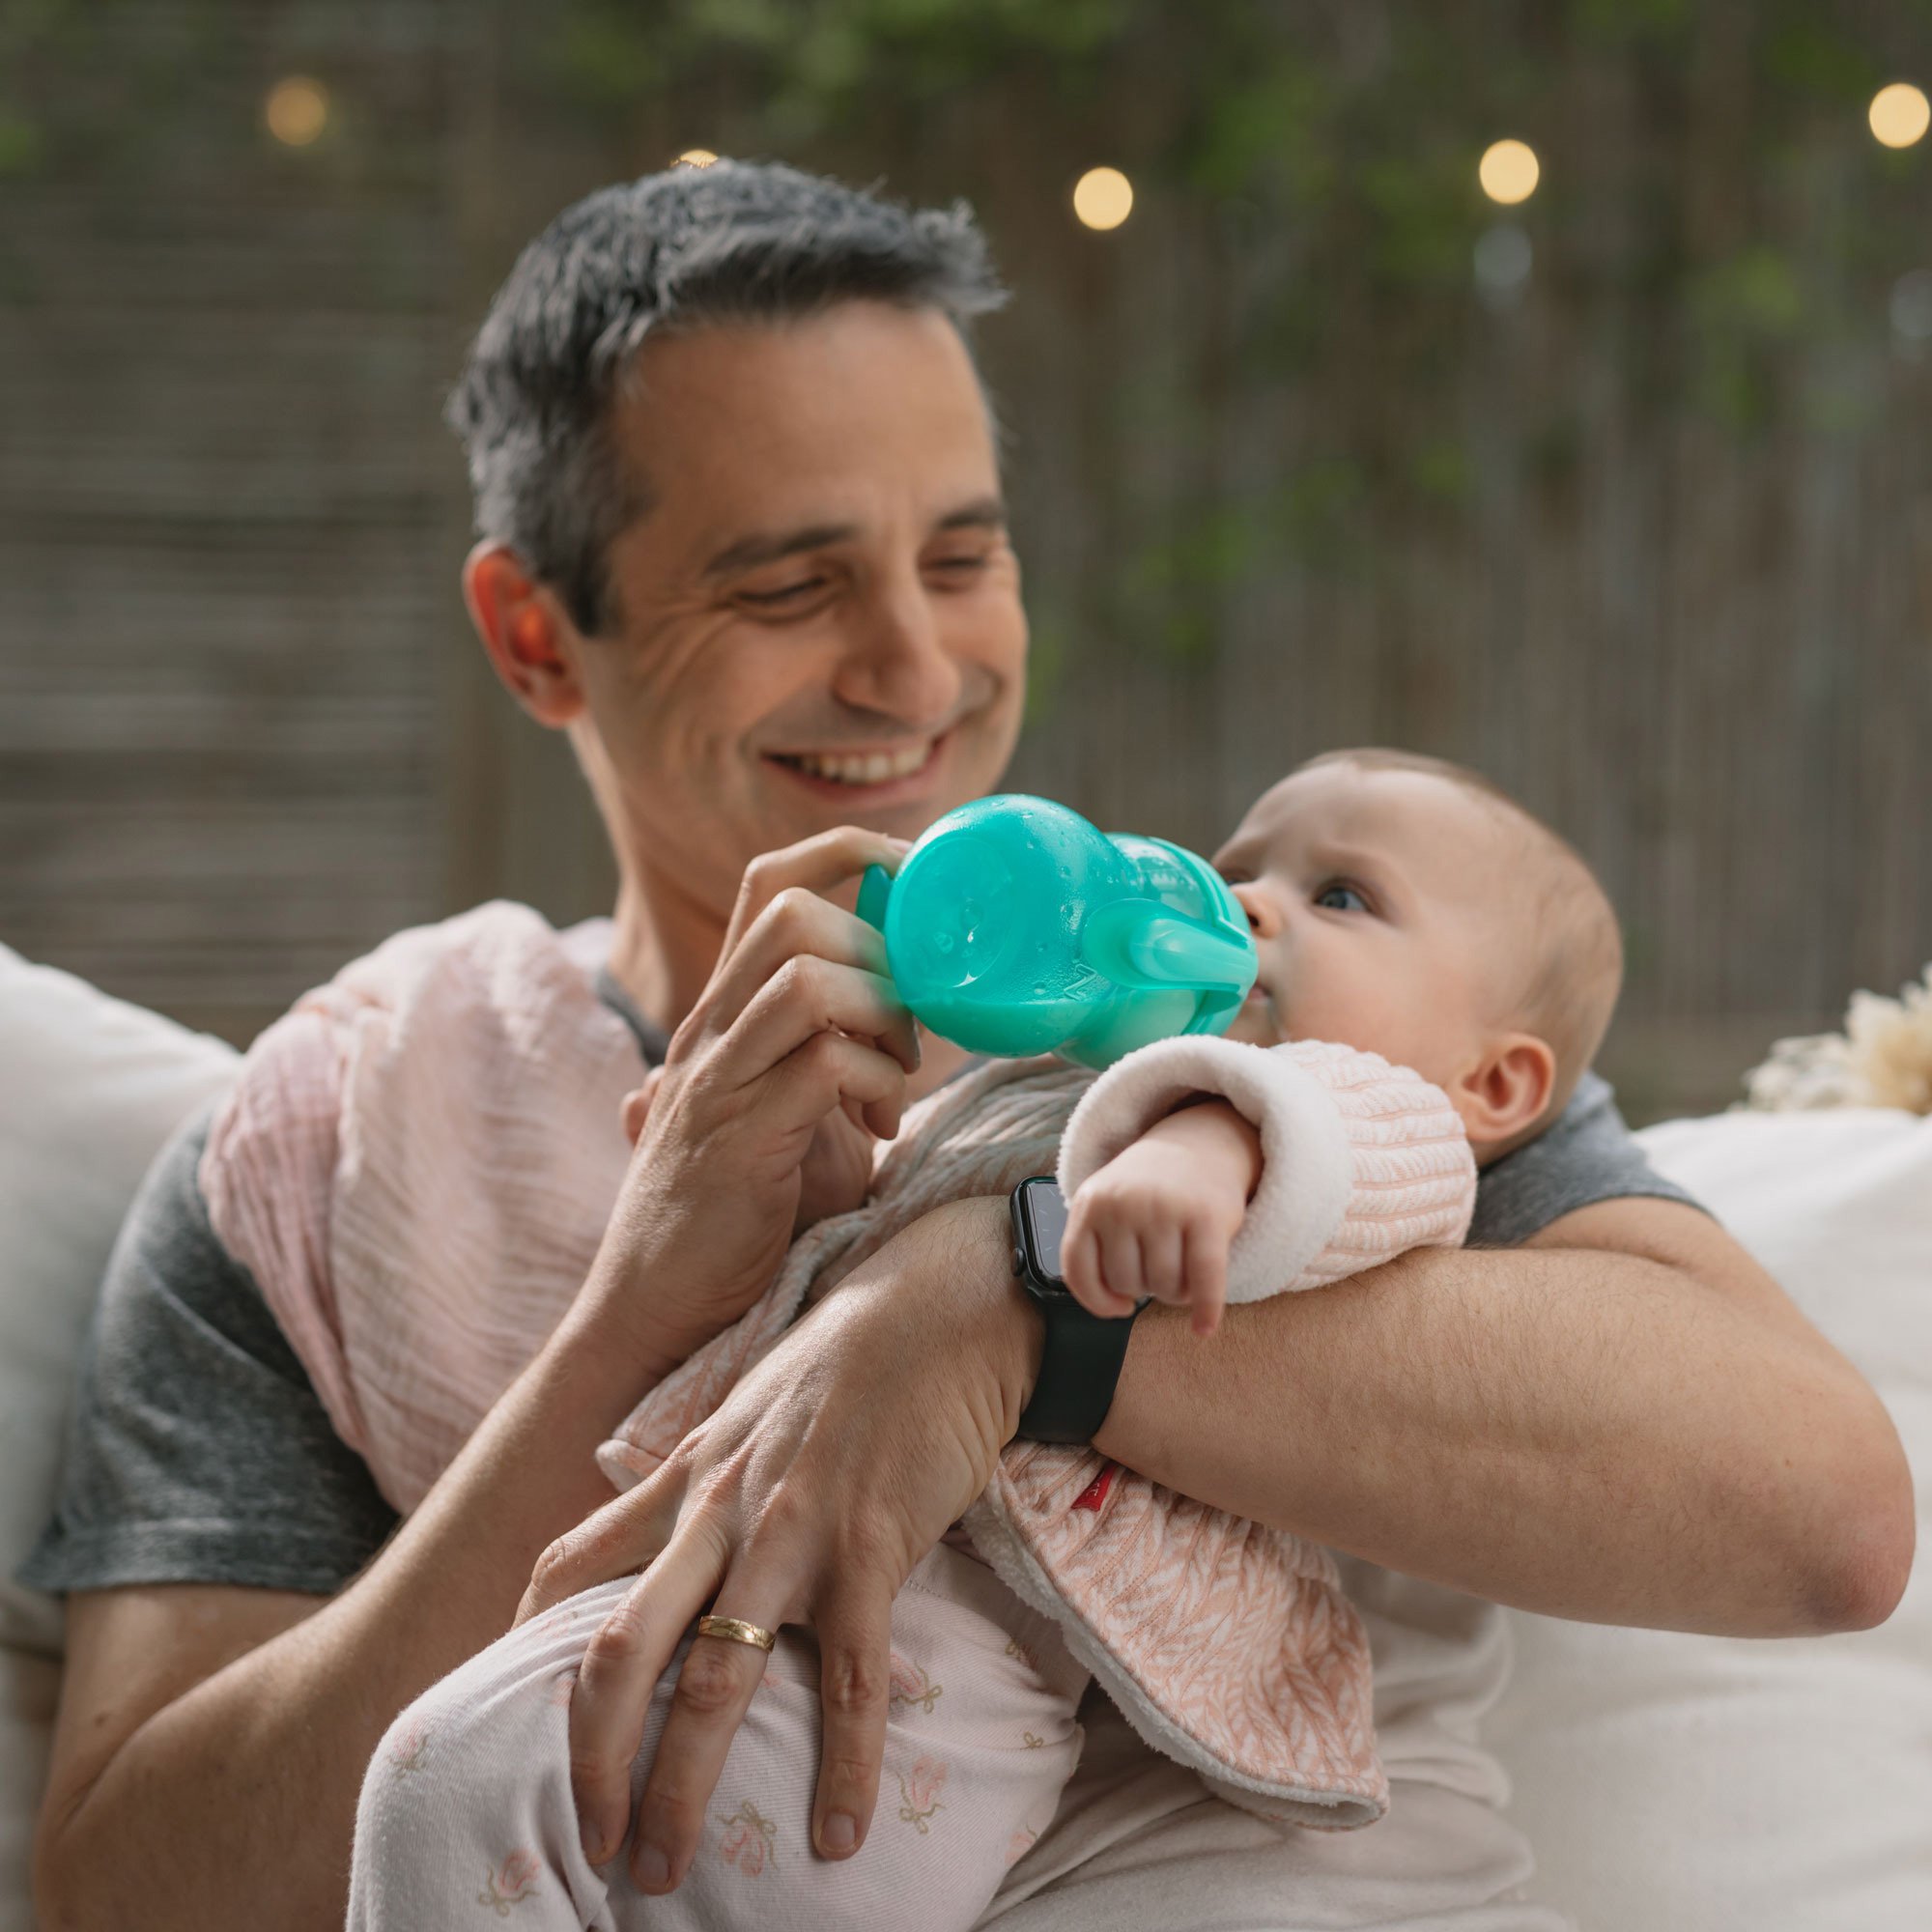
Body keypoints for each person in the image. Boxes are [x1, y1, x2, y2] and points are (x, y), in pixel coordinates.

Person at [23, 162, 1912, 1932]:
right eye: (786, 584)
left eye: (962, 556)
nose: (917, 671)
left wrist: (998, 1311)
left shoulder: (1261, 1003)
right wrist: (634, 1317)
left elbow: (1815, 1518)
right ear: (534, 634)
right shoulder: (342, 1146)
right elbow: (130, 1886)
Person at [336, 747, 1621, 1932]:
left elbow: (1310, 1142)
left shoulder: (1369, 1115)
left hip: (944, 1699)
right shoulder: (1036, 1091)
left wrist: (1186, 1157)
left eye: (1341, 897)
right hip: (808, 1611)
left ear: (1494, 1083)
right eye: (1238, 871)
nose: (1255, 905)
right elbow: (850, 1296)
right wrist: (837, 1192)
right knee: (443, 1780)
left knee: (459, 1784)